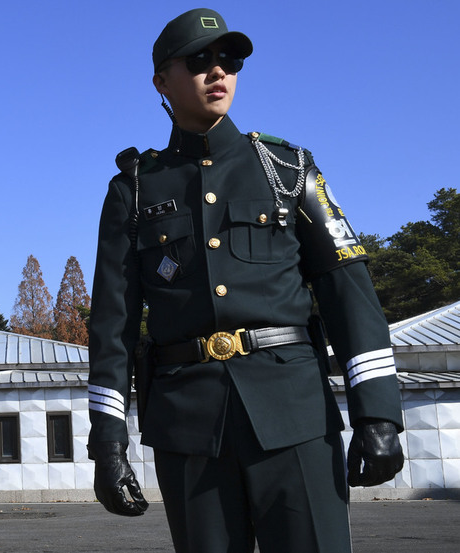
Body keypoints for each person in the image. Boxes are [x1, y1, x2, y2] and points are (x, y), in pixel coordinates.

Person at [86, 8, 404, 553]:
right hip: (189, 428)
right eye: (200, 61)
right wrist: (108, 442)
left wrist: (377, 411)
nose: (218, 72)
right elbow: (111, 326)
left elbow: (348, 292)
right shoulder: (134, 191)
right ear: (162, 80)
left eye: (229, 60)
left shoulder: (289, 169)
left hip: (293, 414)